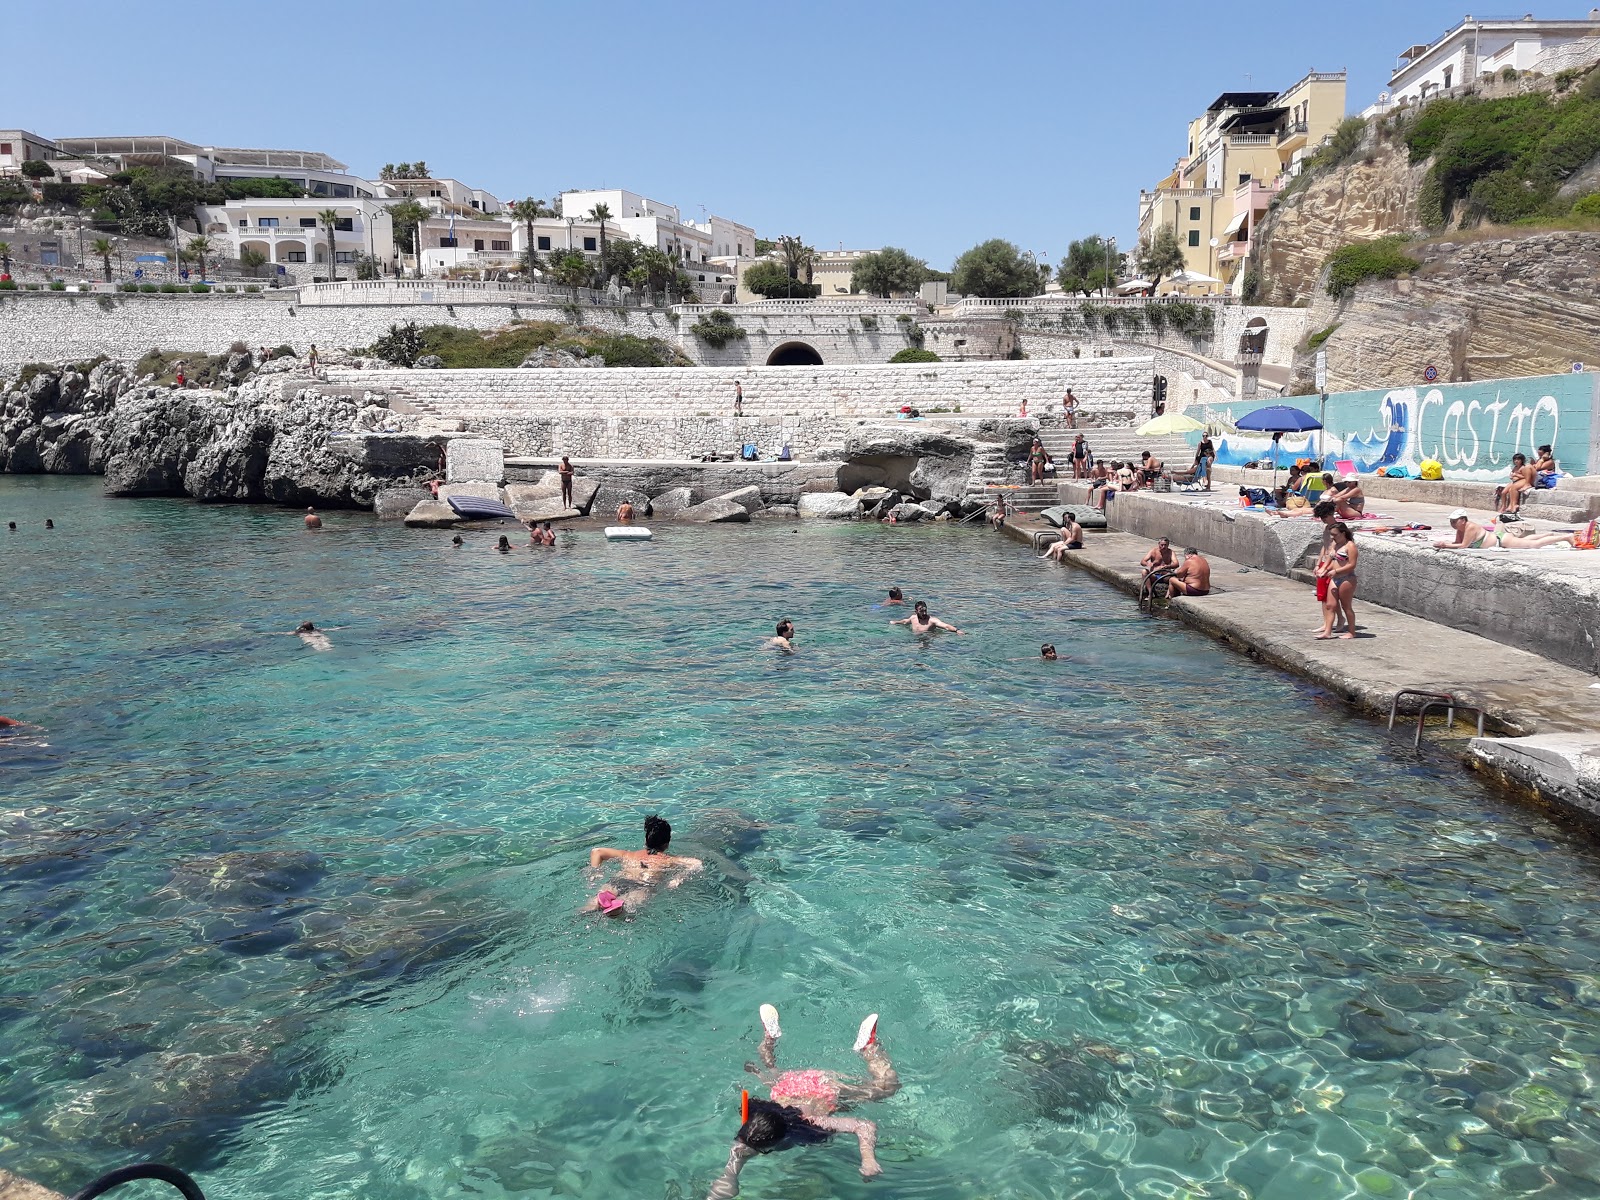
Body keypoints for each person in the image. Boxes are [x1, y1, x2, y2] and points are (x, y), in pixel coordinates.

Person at [705, 1006, 900, 1198]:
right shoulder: (752, 1128)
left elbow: (864, 1125)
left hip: (820, 1088)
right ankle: (770, 1037)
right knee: (773, 1072)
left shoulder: (811, 1121)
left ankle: (869, 1047)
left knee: (887, 1088)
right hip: (788, 1087)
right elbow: (726, 1182)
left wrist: (868, 1159)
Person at [585, 815, 704, 916]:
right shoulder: (668, 860)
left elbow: (597, 852)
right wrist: (677, 879)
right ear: (667, 843)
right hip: (642, 886)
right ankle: (618, 909)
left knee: (591, 906)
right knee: (628, 905)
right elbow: (697, 863)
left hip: (619, 881)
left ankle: (598, 903)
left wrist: (595, 873)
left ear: (646, 840)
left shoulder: (629, 854)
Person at [1433, 508, 1575, 551]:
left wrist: (1444, 545)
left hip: (1501, 540)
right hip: (1500, 537)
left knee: (1533, 545)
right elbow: (1457, 543)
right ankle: (1547, 535)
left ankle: (1565, 538)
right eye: (1451, 522)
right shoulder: (1460, 529)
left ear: (1463, 520)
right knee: (1524, 541)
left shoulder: (1470, 527)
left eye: (1454, 521)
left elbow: (1463, 546)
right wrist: (1446, 543)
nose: (1452, 524)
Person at [1317, 522, 1359, 640]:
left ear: (1343, 533)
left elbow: (1352, 565)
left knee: (1346, 606)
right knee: (1331, 605)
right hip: (1335, 578)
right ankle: (1327, 632)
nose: (1332, 537)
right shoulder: (1335, 545)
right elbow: (1330, 561)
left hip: (1347, 578)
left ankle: (1352, 631)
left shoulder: (1350, 546)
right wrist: (1323, 569)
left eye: (1334, 535)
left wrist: (1337, 571)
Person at [890, 600, 963, 635]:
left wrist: (956, 630)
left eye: (925, 610)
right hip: (915, 640)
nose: (924, 613)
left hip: (928, 641)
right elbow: (905, 621)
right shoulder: (913, 618)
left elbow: (946, 626)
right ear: (916, 611)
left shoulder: (932, 621)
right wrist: (896, 622)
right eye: (921, 611)